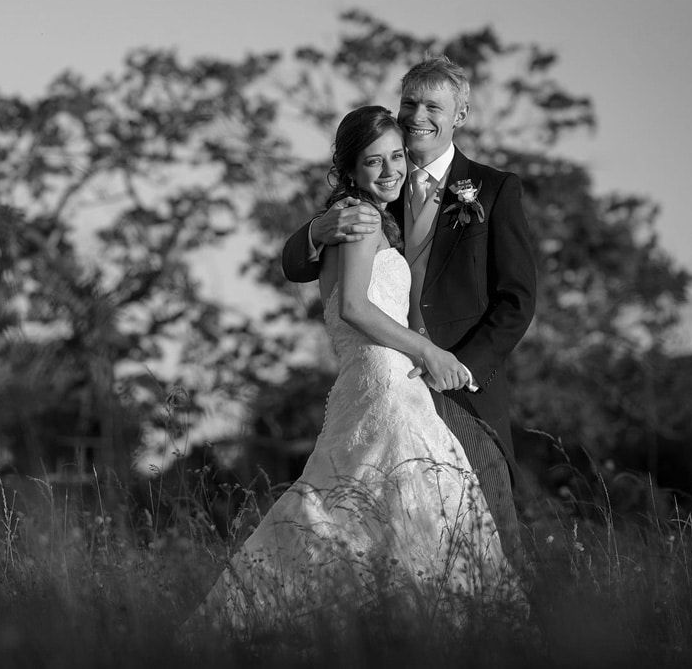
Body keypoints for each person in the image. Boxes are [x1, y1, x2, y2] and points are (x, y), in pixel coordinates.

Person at [187, 104, 523, 635]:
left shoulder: (375, 214)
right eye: (374, 162)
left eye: (396, 157)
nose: (390, 171)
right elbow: (355, 308)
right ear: (350, 171)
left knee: (361, 508)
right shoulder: (358, 218)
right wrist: (429, 354)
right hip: (385, 383)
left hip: (382, 382)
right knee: (397, 513)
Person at [282, 56, 537, 568]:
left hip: (460, 387)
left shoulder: (493, 189)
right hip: (386, 381)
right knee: (377, 527)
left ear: (460, 114)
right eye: (409, 103)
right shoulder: (380, 182)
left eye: (433, 105)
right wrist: (316, 230)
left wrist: (454, 367)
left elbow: (517, 300)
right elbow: (297, 264)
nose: (418, 115)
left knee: (485, 526)